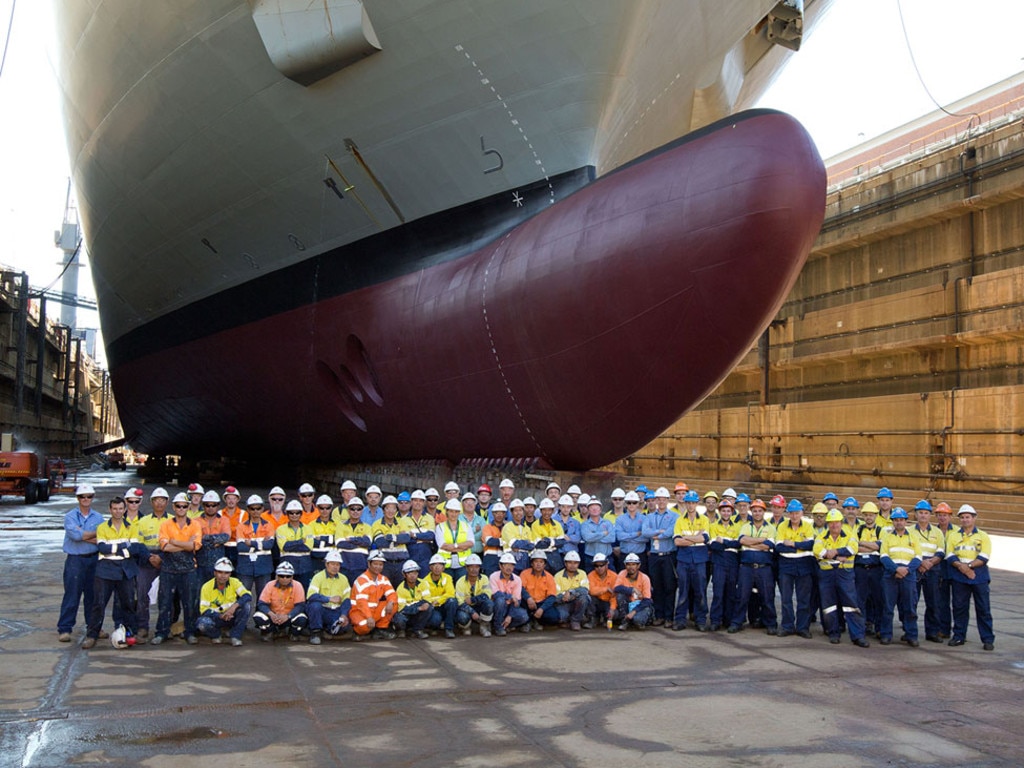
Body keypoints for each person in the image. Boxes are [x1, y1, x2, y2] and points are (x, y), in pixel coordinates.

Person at [83, 497, 143, 648]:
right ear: (110, 510)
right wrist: (124, 546)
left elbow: (135, 550)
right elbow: (102, 549)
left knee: (128, 603)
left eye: (120, 508)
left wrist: (114, 549)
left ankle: (131, 634)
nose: (117, 511)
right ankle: (92, 635)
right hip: (105, 570)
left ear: (124, 510)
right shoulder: (102, 527)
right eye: (114, 509)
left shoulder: (132, 527)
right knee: (99, 603)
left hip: (125, 570)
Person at [152, 492, 203, 645]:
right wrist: (185, 544)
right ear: (173, 507)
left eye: (184, 506)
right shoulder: (166, 525)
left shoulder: (195, 525)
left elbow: (195, 546)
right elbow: (165, 547)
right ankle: (162, 632)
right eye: (178, 506)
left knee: (190, 603)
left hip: (188, 570)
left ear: (188, 507)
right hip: (168, 570)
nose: (181, 508)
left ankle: (190, 632)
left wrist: (175, 542)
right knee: (165, 603)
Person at [813, 510, 869, 647]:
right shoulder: (821, 536)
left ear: (841, 522)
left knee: (851, 605)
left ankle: (857, 636)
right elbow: (817, 551)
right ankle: (833, 633)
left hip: (845, 574)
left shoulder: (850, 534)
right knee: (829, 606)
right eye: (831, 523)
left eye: (837, 522)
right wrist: (839, 555)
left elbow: (852, 549)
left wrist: (834, 552)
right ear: (828, 524)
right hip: (827, 575)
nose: (834, 525)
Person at [58, 483, 104, 642]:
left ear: (93, 497)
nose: (86, 499)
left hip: (94, 559)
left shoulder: (99, 517)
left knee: (93, 596)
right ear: (78, 498)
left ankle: (93, 628)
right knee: (72, 595)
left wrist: (83, 534)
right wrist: (90, 535)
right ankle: (65, 629)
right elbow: (75, 537)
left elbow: (101, 539)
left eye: (89, 496)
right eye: (82, 497)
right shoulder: (70, 516)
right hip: (75, 560)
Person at [945, 504, 994, 650]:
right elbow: (950, 555)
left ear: (974, 518)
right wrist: (964, 568)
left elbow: (984, 556)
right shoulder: (953, 535)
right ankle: (959, 636)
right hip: (959, 575)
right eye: (962, 517)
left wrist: (969, 567)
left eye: (968, 517)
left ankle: (987, 639)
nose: (965, 520)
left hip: (979, 576)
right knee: (959, 607)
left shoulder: (983, 536)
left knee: (983, 608)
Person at [731, 498, 777, 635]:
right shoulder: (745, 526)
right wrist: (760, 541)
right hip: (746, 567)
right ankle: (736, 622)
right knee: (741, 596)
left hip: (764, 568)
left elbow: (769, 545)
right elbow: (742, 540)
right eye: (755, 511)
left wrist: (750, 543)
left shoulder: (771, 528)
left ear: (764, 512)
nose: (757, 513)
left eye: (759, 511)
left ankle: (771, 624)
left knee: (767, 597)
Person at [879, 507, 921, 646]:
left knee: (909, 607)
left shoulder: (914, 537)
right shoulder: (887, 537)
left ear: (905, 521)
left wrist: (906, 570)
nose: (899, 523)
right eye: (896, 520)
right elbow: (884, 556)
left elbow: (918, 557)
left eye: (901, 520)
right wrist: (896, 569)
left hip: (908, 575)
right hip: (891, 575)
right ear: (892, 522)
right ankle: (886, 635)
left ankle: (911, 635)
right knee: (888, 607)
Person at [775, 499, 816, 639]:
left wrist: (792, 544)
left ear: (802, 513)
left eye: (797, 513)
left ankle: (802, 627)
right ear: (788, 514)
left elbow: (810, 544)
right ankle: (787, 626)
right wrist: (799, 546)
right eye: (792, 513)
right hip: (786, 565)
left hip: (804, 565)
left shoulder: (808, 526)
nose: (794, 516)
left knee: (803, 599)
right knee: (786, 598)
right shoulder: (782, 526)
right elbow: (779, 547)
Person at [133, 487, 169, 641]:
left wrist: (161, 558)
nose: (159, 503)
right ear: (152, 502)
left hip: (166, 560)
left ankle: (165, 628)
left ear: (167, 502)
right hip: (146, 561)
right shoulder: (143, 521)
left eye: (162, 500)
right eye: (156, 500)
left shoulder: (173, 521)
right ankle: (142, 627)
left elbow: (175, 542)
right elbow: (137, 544)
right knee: (142, 594)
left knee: (166, 596)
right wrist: (149, 557)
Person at [671, 490, 708, 631]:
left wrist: (686, 539)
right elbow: (677, 542)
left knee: (700, 591)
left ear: (697, 503)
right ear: (685, 504)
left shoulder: (704, 519)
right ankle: (680, 620)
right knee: (683, 591)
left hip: (699, 560)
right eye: (688, 503)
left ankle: (701, 620)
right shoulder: (680, 520)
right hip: (684, 560)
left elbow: (705, 538)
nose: (691, 505)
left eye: (693, 503)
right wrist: (695, 538)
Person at [910, 500, 945, 643]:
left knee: (934, 602)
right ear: (916, 514)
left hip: (933, 569)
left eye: (926, 513)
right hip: (915, 569)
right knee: (912, 602)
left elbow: (941, 551)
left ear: (930, 515)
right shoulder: (910, 531)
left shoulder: (937, 532)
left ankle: (932, 632)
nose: (923, 516)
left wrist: (930, 563)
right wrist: (920, 563)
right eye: (920, 513)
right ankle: (910, 632)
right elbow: (908, 550)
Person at [643, 487, 679, 627]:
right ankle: (659, 615)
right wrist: (659, 532)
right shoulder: (649, 517)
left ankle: (669, 617)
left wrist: (657, 534)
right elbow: (645, 532)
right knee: (657, 586)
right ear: (656, 500)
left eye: (664, 499)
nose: (661, 502)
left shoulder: (674, 516)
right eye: (659, 499)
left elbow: (670, 532)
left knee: (669, 586)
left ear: (667, 500)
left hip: (669, 555)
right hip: (654, 556)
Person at [195, 557, 252, 646]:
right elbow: (204, 610)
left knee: (246, 606)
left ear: (230, 574)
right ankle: (216, 635)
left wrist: (234, 607)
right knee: (202, 623)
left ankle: (235, 636)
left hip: (231, 616)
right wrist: (220, 616)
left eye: (226, 573)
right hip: (216, 618)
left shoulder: (234, 582)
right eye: (220, 572)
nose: (223, 575)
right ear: (215, 573)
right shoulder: (206, 587)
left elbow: (247, 595)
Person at [707, 497, 741, 632]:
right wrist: (729, 543)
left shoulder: (738, 527)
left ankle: (728, 619)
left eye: (728, 511)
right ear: (719, 512)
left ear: (732, 512)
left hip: (733, 563)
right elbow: (714, 545)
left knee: (731, 593)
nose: (726, 513)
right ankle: (715, 620)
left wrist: (724, 542)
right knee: (718, 593)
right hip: (719, 563)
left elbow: (738, 544)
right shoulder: (713, 526)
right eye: (724, 511)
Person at [349, 550, 398, 639]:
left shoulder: (383, 579)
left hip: (374, 610)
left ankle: (380, 629)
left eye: (380, 564)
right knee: (365, 626)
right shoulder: (362, 580)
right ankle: (356, 632)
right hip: (359, 612)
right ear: (369, 564)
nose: (378, 567)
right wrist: (369, 617)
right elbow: (361, 603)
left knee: (393, 604)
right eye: (375, 564)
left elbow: (392, 593)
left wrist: (390, 602)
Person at [254, 561, 308, 642]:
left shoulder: (298, 585)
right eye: (281, 576)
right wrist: (271, 614)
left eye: (288, 576)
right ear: (277, 576)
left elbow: (300, 606)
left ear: (292, 577)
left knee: (302, 618)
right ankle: (271, 632)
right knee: (257, 616)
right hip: (273, 616)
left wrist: (288, 616)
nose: (284, 578)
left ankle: (293, 633)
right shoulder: (270, 585)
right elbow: (262, 604)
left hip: (289, 616)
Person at [306, 550, 352, 644]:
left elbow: (347, 599)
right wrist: (329, 599)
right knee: (315, 606)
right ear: (326, 564)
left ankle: (327, 630)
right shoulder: (318, 577)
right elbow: (311, 595)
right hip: (323, 609)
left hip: (336, 611)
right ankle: (316, 633)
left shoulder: (343, 579)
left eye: (338, 564)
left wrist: (344, 614)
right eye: (332, 564)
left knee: (343, 627)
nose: (335, 567)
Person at [234, 494, 276, 597]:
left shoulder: (269, 525)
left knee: (263, 598)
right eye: (252, 508)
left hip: (264, 567)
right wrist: (261, 544)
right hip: (245, 567)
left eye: (258, 508)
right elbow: (240, 547)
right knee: (243, 597)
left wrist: (251, 543)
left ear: (262, 509)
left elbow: (270, 545)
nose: (255, 511)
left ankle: (260, 614)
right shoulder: (241, 526)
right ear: (248, 509)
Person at [854, 500, 884, 638]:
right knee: (861, 600)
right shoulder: (858, 529)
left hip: (876, 569)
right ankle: (863, 627)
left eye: (871, 515)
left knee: (878, 599)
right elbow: (854, 547)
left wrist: (862, 544)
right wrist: (870, 545)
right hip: (860, 569)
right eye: (866, 515)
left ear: (876, 516)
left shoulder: (880, 530)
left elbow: (879, 546)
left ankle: (878, 627)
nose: (868, 517)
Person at [371, 495, 414, 586]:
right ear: (383, 510)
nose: (391, 511)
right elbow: (380, 542)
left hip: (401, 562)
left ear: (396, 510)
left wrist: (391, 537)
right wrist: (398, 539)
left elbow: (406, 538)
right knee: (385, 589)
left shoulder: (402, 522)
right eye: (388, 508)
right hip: (386, 563)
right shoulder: (377, 524)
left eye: (393, 508)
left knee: (401, 589)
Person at [276, 500, 315, 590]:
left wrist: (291, 544)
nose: (294, 515)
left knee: (304, 591)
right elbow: (284, 547)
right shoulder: (280, 529)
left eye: (297, 513)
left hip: (305, 566)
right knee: (286, 592)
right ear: (287, 514)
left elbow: (308, 547)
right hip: (287, 565)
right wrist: (300, 541)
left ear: (301, 514)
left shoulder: (308, 528)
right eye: (291, 513)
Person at [489, 552, 530, 635]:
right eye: (506, 565)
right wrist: (510, 596)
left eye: (511, 565)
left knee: (524, 616)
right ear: (500, 566)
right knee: (500, 600)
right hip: (497, 607)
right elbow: (495, 595)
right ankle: (497, 627)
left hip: (510, 607)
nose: (509, 567)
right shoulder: (493, 576)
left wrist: (510, 616)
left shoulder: (517, 579)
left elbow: (517, 601)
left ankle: (505, 626)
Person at [932, 501, 957, 640]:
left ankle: (960, 631)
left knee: (959, 603)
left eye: (945, 515)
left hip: (954, 566)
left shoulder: (957, 531)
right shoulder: (933, 531)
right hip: (940, 567)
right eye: (940, 515)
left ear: (950, 516)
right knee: (941, 601)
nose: (942, 518)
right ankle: (944, 629)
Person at [335, 497, 373, 586]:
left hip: (361, 565)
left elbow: (367, 542)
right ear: (348, 510)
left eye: (358, 509)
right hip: (344, 565)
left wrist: (351, 539)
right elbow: (339, 543)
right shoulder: (341, 526)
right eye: (352, 509)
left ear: (362, 510)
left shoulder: (367, 527)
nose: (355, 511)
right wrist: (359, 543)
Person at [436, 498, 475, 583]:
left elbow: (471, 543)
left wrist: (454, 546)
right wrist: (462, 547)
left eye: (456, 511)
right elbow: (442, 545)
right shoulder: (440, 527)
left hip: (463, 565)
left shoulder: (466, 526)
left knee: (462, 588)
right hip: (445, 565)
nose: (454, 514)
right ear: (447, 511)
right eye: (451, 511)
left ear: (459, 512)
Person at [520, 550, 560, 630]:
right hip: (527, 602)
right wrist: (528, 598)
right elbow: (520, 588)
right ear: (532, 563)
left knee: (554, 617)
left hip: (541, 603)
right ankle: (528, 622)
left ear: (545, 564)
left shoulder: (549, 577)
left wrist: (542, 609)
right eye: (536, 561)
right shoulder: (524, 574)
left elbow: (552, 596)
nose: (538, 564)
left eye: (541, 562)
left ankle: (537, 620)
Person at [196, 490, 231, 584]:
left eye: (213, 505)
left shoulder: (224, 520)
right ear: (203, 506)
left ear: (218, 506)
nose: (210, 508)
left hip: (218, 565)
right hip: (200, 564)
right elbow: (196, 539)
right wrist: (215, 541)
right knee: (199, 593)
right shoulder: (195, 521)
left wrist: (206, 538)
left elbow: (226, 536)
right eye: (207, 505)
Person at [392, 560, 432, 639]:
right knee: (398, 618)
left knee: (429, 607)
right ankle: (401, 630)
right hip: (407, 613)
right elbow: (402, 608)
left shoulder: (423, 583)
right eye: (409, 573)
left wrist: (425, 604)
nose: (412, 576)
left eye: (415, 573)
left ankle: (418, 630)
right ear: (404, 574)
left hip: (417, 612)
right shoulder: (400, 588)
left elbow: (427, 599)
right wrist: (417, 608)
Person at [455, 554, 494, 636]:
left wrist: (473, 600)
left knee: (489, 604)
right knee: (462, 616)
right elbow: (460, 602)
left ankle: (484, 625)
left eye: (477, 567)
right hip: (466, 607)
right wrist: (472, 612)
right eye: (471, 567)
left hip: (479, 605)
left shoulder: (484, 578)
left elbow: (487, 595)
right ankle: (466, 627)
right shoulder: (460, 582)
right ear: (466, 568)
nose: (474, 569)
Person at [423, 553, 459, 638]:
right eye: (434, 565)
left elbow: (450, 593)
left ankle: (449, 629)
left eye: (440, 565)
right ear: (430, 567)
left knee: (452, 601)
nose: (437, 567)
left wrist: (438, 600)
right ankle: (435, 627)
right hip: (433, 608)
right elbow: (426, 598)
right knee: (436, 620)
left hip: (444, 605)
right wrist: (441, 598)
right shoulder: (424, 581)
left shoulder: (448, 578)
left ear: (443, 568)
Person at [614, 553, 653, 630]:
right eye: (628, 564)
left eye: (633, 564)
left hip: (640, 605)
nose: (630, 567)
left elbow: (647, 600)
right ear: (625, 565)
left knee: (638, 620)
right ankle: (625, 621)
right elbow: (616, 588)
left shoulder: (644, 578)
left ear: (638, 566)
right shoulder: (622, 573)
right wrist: (632, 590)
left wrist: (634, 611)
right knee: (620, 595)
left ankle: (639, 620)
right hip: (628, 603)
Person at [553, 550, 590, 630]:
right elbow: (555, 595)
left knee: (584, 598)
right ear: (565, 563)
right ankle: (573, 618)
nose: (572, 565)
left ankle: (575, 621)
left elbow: (585, 590)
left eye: (575, 563)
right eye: (570, 562)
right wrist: (563, 597)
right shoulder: (558, 576)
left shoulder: (582, 574)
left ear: (578, 564)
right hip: (563, 603)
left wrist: (571, 592)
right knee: (561, 617)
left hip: (577, 601)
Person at [405, 490, 438, 574]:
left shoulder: (429, 518)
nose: (418, 503)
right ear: (411, 502)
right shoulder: (403, 520)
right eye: (415, 500)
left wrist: (415, 535)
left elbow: (431, 536)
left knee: (425, 582)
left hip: (425, 556)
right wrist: (423, 537)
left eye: (420, 501)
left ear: (424, 503)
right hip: (410, 555)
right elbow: (405, 539)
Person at [614, 491, 647, 573]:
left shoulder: (644, 519)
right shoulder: (619, 519)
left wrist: (627, 537)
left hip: (640, 555)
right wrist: (637, 534)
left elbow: (645, 538)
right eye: (629, 503)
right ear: (625, 504)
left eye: (634, 502)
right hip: (624, 555)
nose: (631, 505)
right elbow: (619, 537)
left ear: (638, 504)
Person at [580, 498, 615, 571]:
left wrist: (594, 536)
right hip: (590, 558)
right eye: (592, 508)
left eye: (597, 507)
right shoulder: (585, 525)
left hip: (607, 558)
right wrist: (603, 533)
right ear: (588, 510)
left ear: (600, 509)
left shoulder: (608, 523)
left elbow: (612, 538)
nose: (594, 509)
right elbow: (587, 538)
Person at [501, 499, 534, 573]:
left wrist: (519, 544)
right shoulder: (507, 527)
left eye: (520, 510)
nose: (518, 513)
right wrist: (526, 542)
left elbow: (532, 545)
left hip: (525, 561)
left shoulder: (527, 528)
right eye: (516, 511)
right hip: (511, 559)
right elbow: (513, 543)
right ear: (511, 512)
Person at [586, 552, 617, 628]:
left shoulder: (614, 576)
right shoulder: (591, 575)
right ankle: (592, 619)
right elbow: (591, 591)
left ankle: (606, 618)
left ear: (607, 565)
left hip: (608, 602)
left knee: (615, 614)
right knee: (588, 597)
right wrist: (606, 589)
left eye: (601, 565)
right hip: (596, 601)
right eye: (596, 565)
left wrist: (612, 609)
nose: (599, 568)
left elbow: (615, 595)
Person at [310, 495, 338, 573]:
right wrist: (330, 539)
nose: (324, 510)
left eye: (327, 508)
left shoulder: (338, 524)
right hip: (316, 560)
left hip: (333, 560)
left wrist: (321, 539)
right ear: (317, 508)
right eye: (322, 508)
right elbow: (312, 542)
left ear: (331, 508)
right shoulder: (311, 525)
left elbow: (338, 541)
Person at [480, 503, 507, 576]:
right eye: (496, 513)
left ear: (505, 514)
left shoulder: (508, 527)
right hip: (490, 560)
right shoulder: (487, 527)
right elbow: (489, 541)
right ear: (493, 514)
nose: (499, 515)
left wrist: (498, 541)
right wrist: (505, 541)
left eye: (501, 513)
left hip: (504, 559)